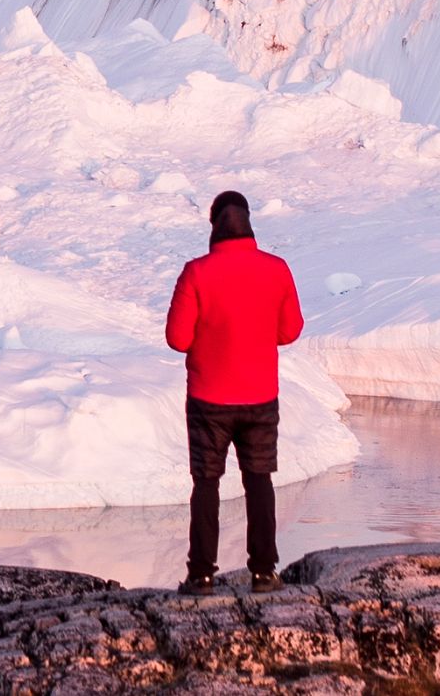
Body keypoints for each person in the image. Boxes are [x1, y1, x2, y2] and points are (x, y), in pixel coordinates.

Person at [162, 190, 304, 594]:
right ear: (249, 222)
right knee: (259, 480)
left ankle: (201, 575)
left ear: (213, 226)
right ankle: (263, 573)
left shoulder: (196, 273)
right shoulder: (276, 269)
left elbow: (176, 338)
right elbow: (290, 330)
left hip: (208, 400)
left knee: (206, 484)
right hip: (260, 398)